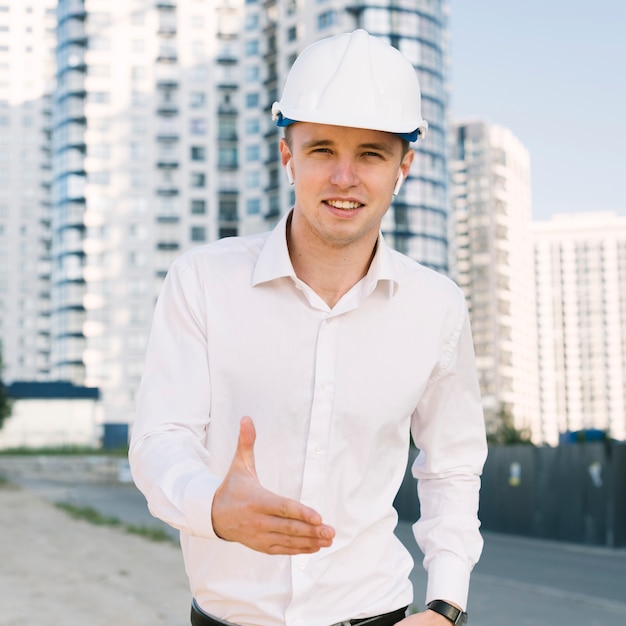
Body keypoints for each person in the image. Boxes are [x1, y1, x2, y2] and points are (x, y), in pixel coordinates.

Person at [129, 29, 487, 626]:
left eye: (371, 153)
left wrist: (447, 605)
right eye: (322, 149)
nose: (344, 177)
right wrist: (212, 505)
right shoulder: (201, 281)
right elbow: (160, 439)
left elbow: (451, 465)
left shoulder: (437, 307)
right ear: (287, 156)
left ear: (405, 166)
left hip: (379, 613)